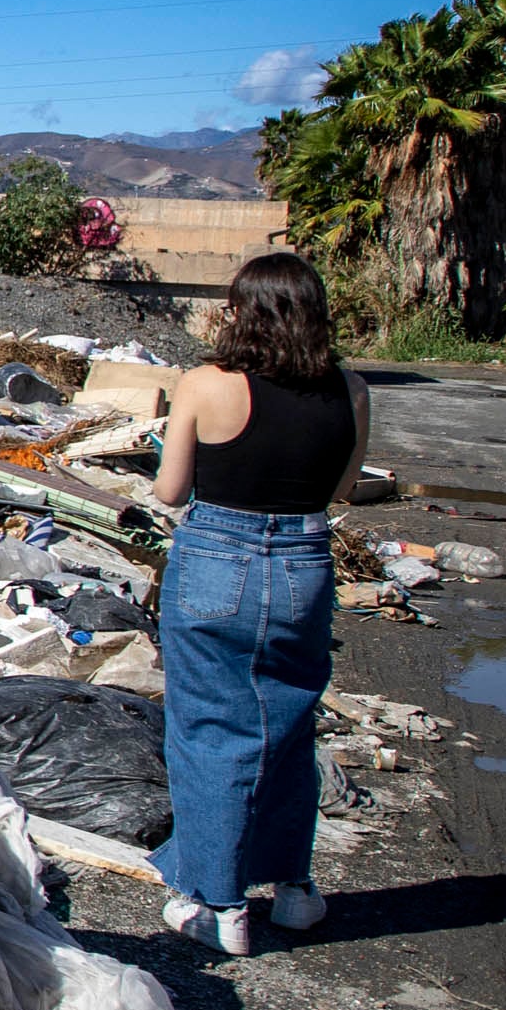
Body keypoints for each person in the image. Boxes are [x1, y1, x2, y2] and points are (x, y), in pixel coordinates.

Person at [146, 251, 368, 955]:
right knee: (288, 726)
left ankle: (219, 904)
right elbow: (345, 490)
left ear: (244, 312)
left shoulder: (207, 384)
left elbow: (170, 491)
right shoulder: (351, 389)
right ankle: (293, 889)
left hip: (217, 559)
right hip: (303, 562)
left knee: (211, 728)